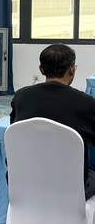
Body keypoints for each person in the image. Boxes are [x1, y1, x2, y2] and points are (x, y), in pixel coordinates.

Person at [10, 43, 95, 199]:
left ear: (41, 70)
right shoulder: (87, 103)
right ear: (72, 69)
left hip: (23, 181)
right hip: (71, 187)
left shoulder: (21, 96)